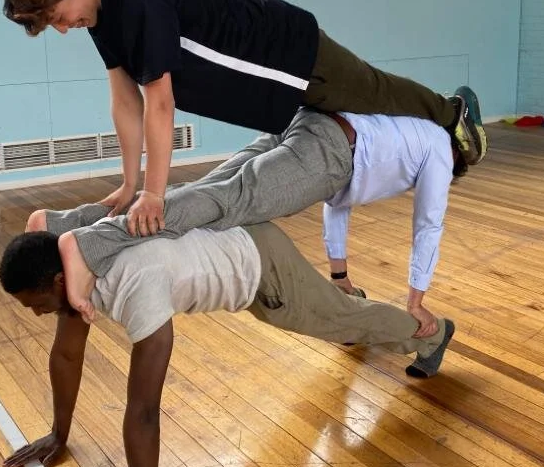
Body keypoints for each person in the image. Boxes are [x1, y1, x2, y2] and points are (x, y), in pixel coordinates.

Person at [0, 217, 456, 467]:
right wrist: (58, 436)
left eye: (37, 304)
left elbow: (144, 413)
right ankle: (341, 305)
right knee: (333, 314)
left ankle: (433, 334)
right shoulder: (77, 259)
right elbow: (66, 355)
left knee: (340, 322)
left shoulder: (135, 283)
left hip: (261, 269)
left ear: (59, 281)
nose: (38, 314)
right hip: (238, 245)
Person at [0, 0, 486, 238]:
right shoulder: (100, 14)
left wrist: (153, 193)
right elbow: (124, 102)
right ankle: (438, 139)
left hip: (289, 48)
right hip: (276, 82)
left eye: (56, 17)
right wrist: (129, 186)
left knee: (376, 92)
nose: (62, 28)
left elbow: (159, 103)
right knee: (363, 108)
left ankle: (453, 113)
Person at [32, 107, 467, 329]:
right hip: (327, 149)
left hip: (305, 127)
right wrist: (415, 302)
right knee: (226, 202)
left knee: (206, 192)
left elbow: (337, 200)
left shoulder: (405, 128)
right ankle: (88, 244)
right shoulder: (439, 152)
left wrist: (340, 276)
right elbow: (428, 227)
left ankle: (63, 223)